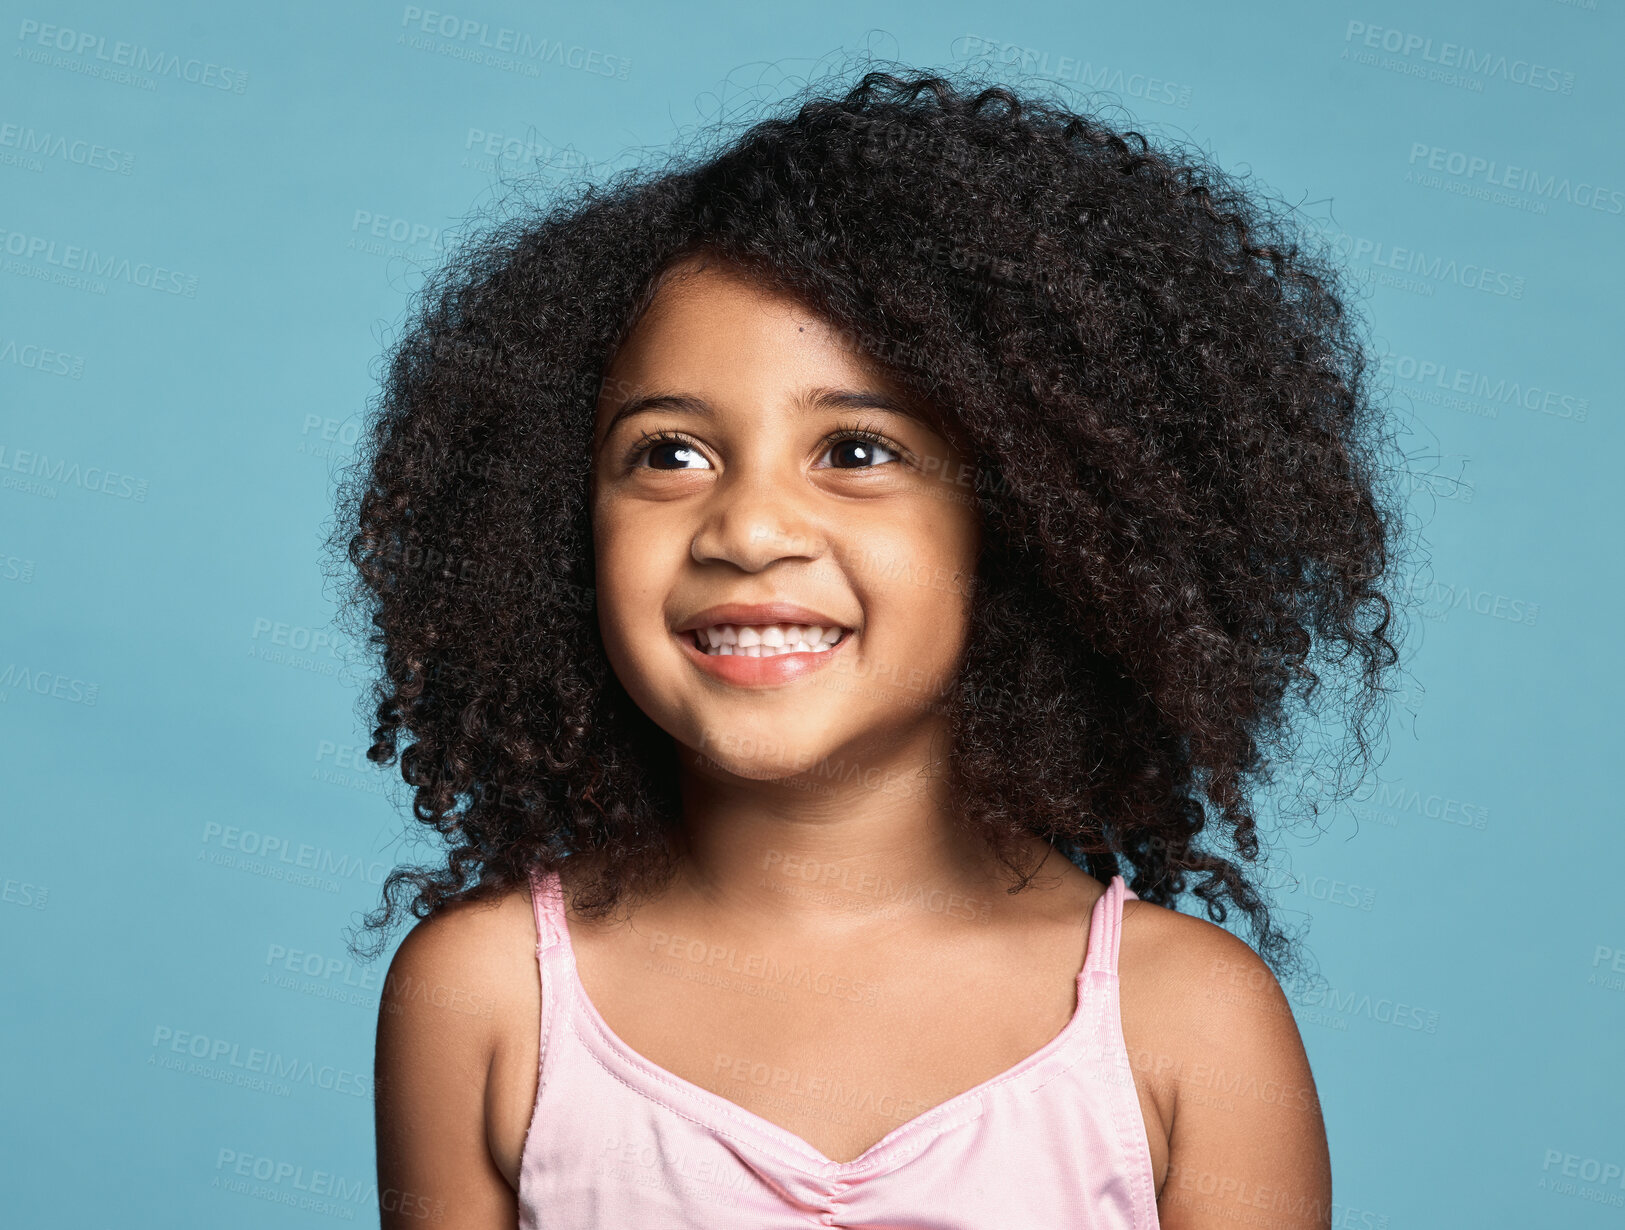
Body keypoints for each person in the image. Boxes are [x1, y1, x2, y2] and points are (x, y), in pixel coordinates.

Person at [337, 65, 1409, 1229]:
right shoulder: (492, 999)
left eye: (854, 452)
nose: (745, 529)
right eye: (667, 454)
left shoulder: (1183, 1021)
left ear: (1032, 522)